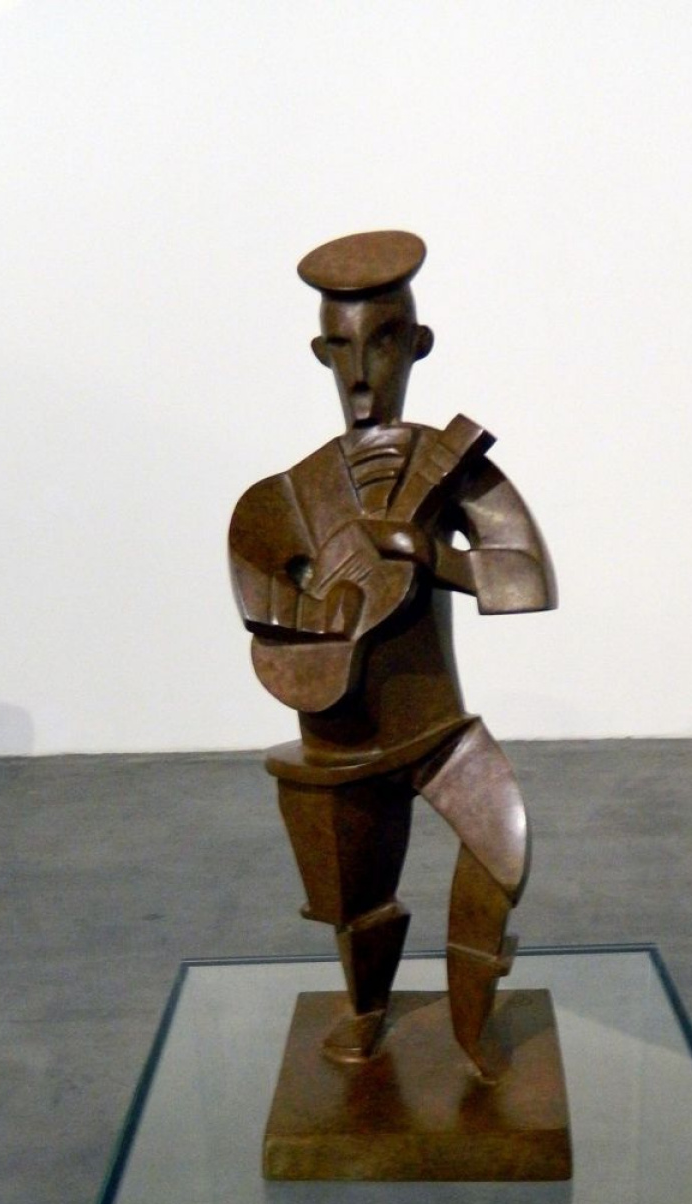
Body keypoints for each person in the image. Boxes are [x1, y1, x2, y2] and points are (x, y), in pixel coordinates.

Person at [229, 230, 556, 1073]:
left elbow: (526, 576)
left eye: (381, 345)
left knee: (501, 851)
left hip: (442, 732)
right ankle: (366, 1008)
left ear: (418, 345)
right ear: (320, 355)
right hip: (341, 741)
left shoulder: (448, 466)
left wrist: (436, 556)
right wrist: (321, 607)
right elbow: (265, 604)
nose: (362, 377)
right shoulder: (294, 493)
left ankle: (471, 1024)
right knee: (357, 903)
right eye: (340, 350)